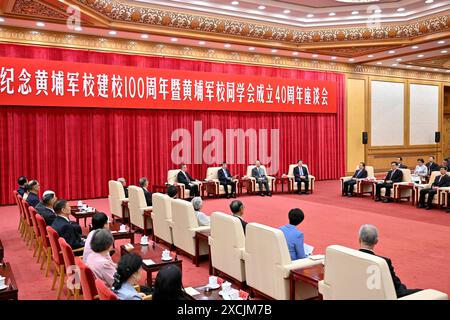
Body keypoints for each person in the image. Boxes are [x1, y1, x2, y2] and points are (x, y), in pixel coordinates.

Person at [358, 224, 421, 298]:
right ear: (376, 241)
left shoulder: (350, 256)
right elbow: (396, 287)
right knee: (425, 293)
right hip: (380, 296)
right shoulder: (384, 262)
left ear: (359, 239)